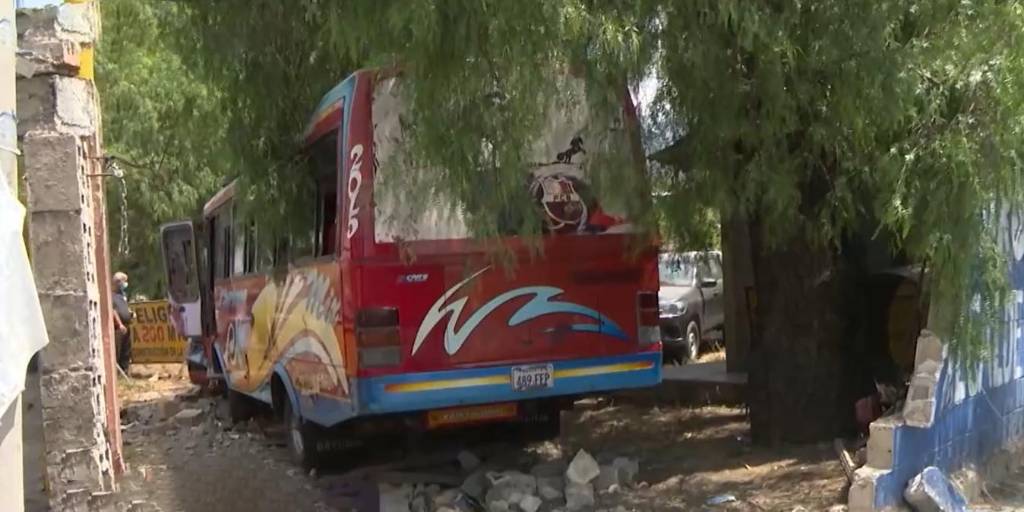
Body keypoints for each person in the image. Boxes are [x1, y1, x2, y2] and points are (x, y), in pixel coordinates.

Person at [112, 272, 133, 372]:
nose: (125, 284)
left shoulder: (122, 296)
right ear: (117, 282)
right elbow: (113, 311)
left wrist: (130, 313)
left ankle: (125, 370)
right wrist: (120, 324)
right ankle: (117, 372)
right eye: (124, 282)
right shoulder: (111, 296)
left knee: (126, 350)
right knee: (118, 350)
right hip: (118, 328)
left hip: (127, 326)